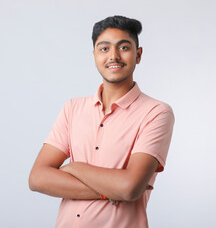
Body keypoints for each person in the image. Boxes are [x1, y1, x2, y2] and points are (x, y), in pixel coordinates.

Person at [28, 15, 175, 228]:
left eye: (123, 47)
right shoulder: (73, 108)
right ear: (95, 55)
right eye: (104, 49)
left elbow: (129, 188)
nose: (113, 56)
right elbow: (37, 178)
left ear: (138, 55)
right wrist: (111, 191)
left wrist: (74, 167)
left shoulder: (156, 112)